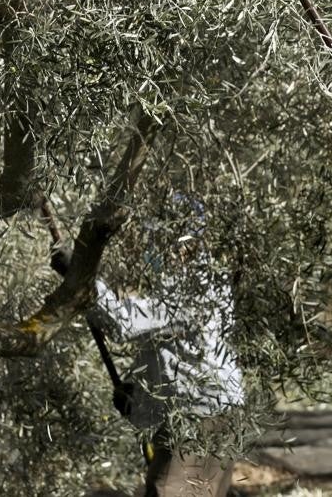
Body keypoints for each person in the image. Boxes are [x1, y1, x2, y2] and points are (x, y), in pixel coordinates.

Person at [89, 198, 245, 497]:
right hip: (198, 412)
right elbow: (165, 349)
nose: (160, 247)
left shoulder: (199, 285)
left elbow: (127, 322)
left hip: (203, 417)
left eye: (165, 239)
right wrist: (136, 392)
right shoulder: (185, 282)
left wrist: (82, 279)